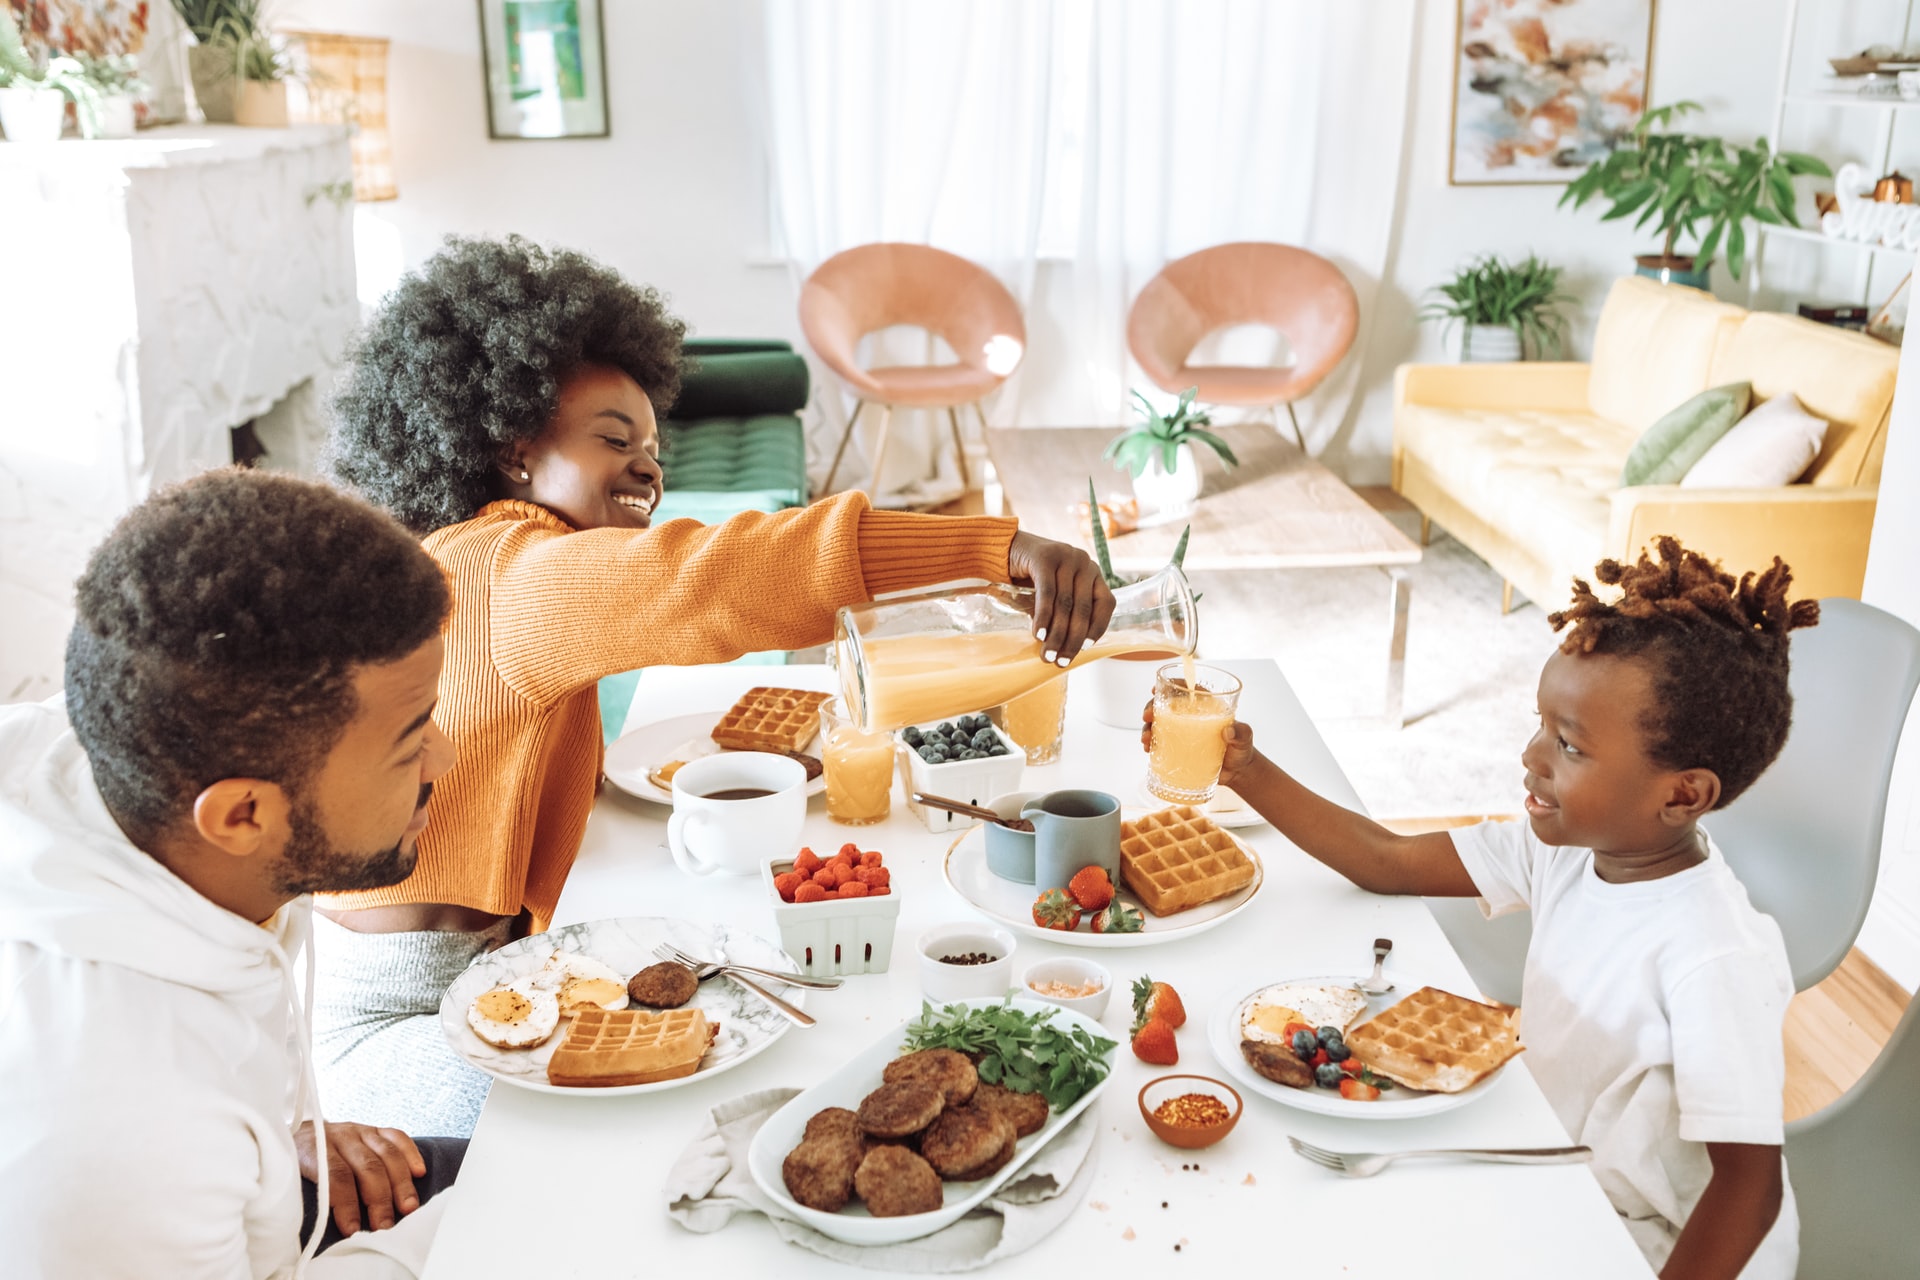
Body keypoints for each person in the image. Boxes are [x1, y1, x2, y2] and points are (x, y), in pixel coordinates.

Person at [316, 234, 1117, 1136]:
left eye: (655, 448)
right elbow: (721, 576)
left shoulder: (483, 560)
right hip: (404, 1027)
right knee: (718, 1095)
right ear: (509, 452)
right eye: (613, 439)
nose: (651, 469)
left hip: (491, 973)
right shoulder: (520, 575)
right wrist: (987, 548)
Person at [1151, 537, 1811, 1280]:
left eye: (1568, 745)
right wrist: (1248, 770)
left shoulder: (1714, 957)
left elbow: (1748, 1193)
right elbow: (1387, 860)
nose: (1531, 756)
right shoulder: (1569, 848)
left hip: (1657, 1245)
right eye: (1541, 725)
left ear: (1682, 794)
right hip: (1560, 1171)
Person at [0, 469, 467, 1278]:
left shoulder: (126, 755)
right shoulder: (117, 1135)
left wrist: (270, 1138)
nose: (446, 756)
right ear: (243, 816)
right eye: (410, 740)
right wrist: (483, 1214)